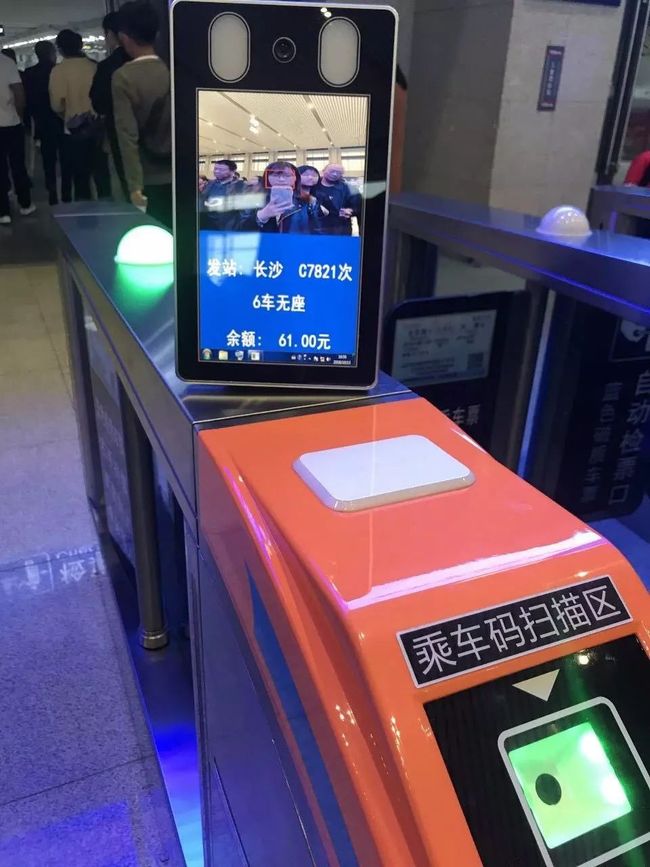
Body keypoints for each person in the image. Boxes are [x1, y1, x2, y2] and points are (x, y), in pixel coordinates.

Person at [113, 1, 173, 228]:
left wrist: (134, 187)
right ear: (156, 32)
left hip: (149, 176)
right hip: (182, 173)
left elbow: (127, 136)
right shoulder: (174, 69)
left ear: (123, 37)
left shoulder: (124, 77)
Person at [49, 29, 104, 202]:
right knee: (101, 173)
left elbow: (56, 104)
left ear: (60, 49)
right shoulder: (95, 66)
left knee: (80, 176)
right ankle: (107, 209)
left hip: (74, 130)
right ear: (81, 46)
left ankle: (85, 218)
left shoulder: (59, 71)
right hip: (98, 128)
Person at [90, 11, 129, 200]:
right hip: (159, 136)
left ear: (113, 34)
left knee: (129, 182)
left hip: (121, 133)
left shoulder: (107, 67)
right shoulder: (161, 60)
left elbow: (99, 104)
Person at [23, 41, 62, 205]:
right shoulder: (58, 70)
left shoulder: (29, 73)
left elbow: (27, 99)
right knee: (66, 155)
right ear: (52, 53)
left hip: (41, 120)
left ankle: (51, 187)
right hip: (61, 118)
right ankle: (66, 189)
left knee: (48, 157)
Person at [240, 160, 324, 233]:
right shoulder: (252, 199)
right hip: (264, 247)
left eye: (287, 176)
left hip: (295, 247)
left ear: (296, 178)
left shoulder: (309, 200)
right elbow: (239, 228)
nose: (281, 179)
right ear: (266, 178)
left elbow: (317, 229)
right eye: (275, 175)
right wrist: (261, 216)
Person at [0, 49, 35, 224]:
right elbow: (19, 92)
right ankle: (25, 204)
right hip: (11, 123)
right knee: (18, 165)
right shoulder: (7, 63)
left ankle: (3, 212)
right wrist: (20, 115)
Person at [314, 163, 361, 235]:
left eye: (339, 173)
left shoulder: (349, 189)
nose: (335, 174)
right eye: (332, 171)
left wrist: (350, 210)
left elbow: (359, 206)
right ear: (323, 171)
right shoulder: (313, 186)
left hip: (340, 229)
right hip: (315, 228)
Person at [199, 159, 244, 229]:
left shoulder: (240, 186)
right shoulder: (210, 183)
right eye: (215, 169)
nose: (217, 171)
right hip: (207, 224)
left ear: (233, 171)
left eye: (221, 170)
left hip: (228, 226)